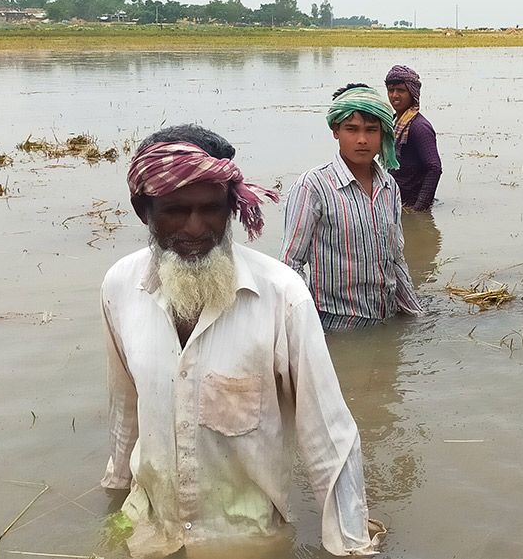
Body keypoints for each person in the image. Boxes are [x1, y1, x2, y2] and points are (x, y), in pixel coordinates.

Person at [99, 125, 383, 558]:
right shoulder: (120, 287)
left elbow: (330, 439)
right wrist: (115, 498)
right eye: (176, 210)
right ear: (144, 210)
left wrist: (352, 547)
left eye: (212, 209)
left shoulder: (282, 297)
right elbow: (126, 408)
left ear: (231, 207)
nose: (196, 228)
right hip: (148, 529)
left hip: (245, 539)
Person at [281, 84, 424, 331]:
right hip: (334, 328)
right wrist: (307, 332)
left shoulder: (389, 186)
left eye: (371, 130)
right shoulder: (313, 187)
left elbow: (396, 259)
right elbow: (290, 267)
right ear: (335, 130)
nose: (362, 139)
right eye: (351, 129)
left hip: (385, 321)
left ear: (383, 135)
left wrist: (416, 316)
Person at [384, 65, 442, 211]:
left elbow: (434, 168)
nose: (395, 95)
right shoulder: (397, 122)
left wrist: (419, 209)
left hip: (410, 205)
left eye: (401, 90)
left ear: (412, 93)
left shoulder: (419, 127)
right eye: (391, 90)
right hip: (397, 202)